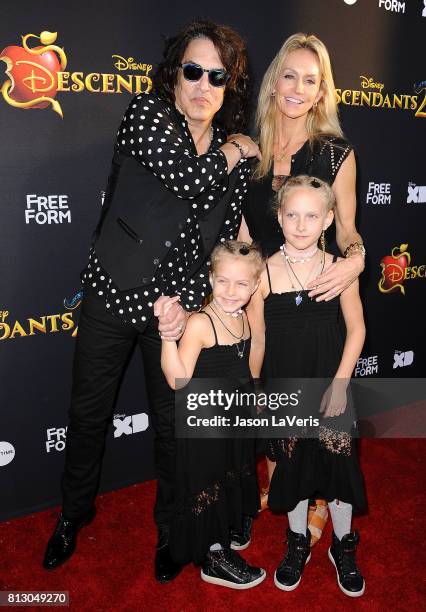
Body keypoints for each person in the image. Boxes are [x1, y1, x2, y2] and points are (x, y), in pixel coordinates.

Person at [42, 20, 261, 581]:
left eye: (217, 76)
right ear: (174, 74)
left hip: (173, 311)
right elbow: (188, 180)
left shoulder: (233, 155)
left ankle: (173, 531)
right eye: (192, 70)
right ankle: (72, 514)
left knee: (173, 428)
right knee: (88, 415)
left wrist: (187, 301)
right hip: (113, 292)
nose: (202, 85)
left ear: (228, 87)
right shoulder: (148, 115)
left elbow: (216, 237)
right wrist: (237, 152)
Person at [239, 33, 366, 537]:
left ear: (321, 91)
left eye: (309, 80)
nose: (297, 87)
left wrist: (356, 260)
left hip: (313, 297)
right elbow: (246, 236)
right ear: (273, 84)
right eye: (288, 75)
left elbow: (348, 230)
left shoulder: (336, 153)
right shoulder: (253, 152)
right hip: (262, 298)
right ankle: (283, 488)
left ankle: (316, 498)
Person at [247, 175, 366, 597]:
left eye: (312, 216)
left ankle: (343, 543)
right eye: (292, 215)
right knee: (292, 468)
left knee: (339, 470)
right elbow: (257, 337)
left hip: (332, 388)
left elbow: (356, 331)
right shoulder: (263, 273)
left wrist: (340, 385)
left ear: (328, 219)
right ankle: (297, 541)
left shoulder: (339, 269)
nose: (301, 225)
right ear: (279, 218)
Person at [157, 240, 266, 589]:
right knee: (207, 484)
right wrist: (166, 336)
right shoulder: (201, 324)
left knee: (227, 475)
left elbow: (243, 368)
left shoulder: (244, 318)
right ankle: (214, 556)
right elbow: (177, 379)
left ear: (256, 285)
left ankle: (222, 536)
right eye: (222, 281)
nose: (231, 291)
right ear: (210, 277)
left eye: (241, 284)